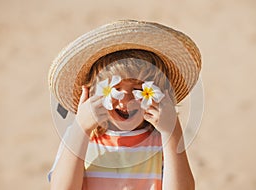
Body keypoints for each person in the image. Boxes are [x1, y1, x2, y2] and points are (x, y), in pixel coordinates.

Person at [48, 20, 202, 190]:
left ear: (159, 94)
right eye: (114, 89)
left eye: (138, 89)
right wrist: (80, 127)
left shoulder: (161, 141)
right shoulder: (81, 136)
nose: (125, 101)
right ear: (92, 92)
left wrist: (171, 131)